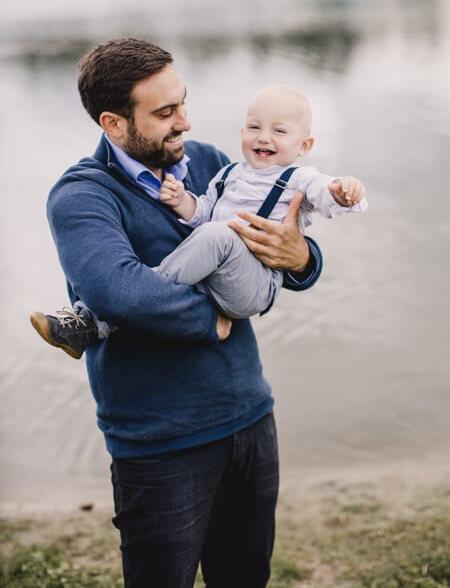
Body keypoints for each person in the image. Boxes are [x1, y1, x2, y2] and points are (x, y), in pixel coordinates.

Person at [32, 36, 324, 588]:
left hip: (249, 418)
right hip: (159, 444)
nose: (184, 122)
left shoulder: (213, 165)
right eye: (165, 112)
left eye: (183, 103)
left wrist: (302, 258)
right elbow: (119, 293)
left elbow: (279, 246)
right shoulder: (82, 197)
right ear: (113, 124)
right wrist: (208, 321)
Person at [31, 85, 366, 359]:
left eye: (278, 131)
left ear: (304, 145)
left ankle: (93, 321)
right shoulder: (83, 194)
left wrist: (306, 250)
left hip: (252, 303)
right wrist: (181, 201)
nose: (264, 138)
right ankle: (92, 321)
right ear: (114, 122)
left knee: (217, 236)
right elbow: (203, 214)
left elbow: (323, 200)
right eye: (254, 128)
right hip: (154, 427)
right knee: (214, 233)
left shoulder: (296, 176)